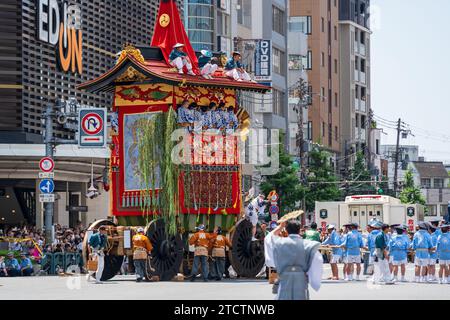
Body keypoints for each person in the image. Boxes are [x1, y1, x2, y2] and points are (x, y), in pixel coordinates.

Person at [269, 220, 323, 300]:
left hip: (284, 278)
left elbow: (270, 238)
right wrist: (313, 280)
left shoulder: (278, 243)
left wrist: (280, 227)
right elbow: (317, 261)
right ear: (299, 230)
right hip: (301, 279)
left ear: (286, 230)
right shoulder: (308, 244)